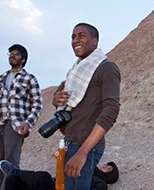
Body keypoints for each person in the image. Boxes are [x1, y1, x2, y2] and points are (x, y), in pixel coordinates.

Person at [52, 23, 120, 190]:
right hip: (70, 142)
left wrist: (82, 153)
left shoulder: (106, 68)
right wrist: (56, 101)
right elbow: (72, 107)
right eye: (73, 37)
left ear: (95, 41)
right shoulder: (75, 73)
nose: (76, 40)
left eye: (81, 35)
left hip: (85, 147)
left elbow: (111, 110)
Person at [0, 44, 43, 190]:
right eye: (10, 53)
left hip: (15, 126)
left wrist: (28, 122)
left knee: (10, 164)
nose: (12, 55)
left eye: (16, 54)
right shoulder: (0, 78)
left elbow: (37, 104)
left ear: (24, 59)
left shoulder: (29, 79)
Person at [0, 159, 119, 190]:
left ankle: (15, 170)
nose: (103, 166)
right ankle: (14, 174)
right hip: (52, 185)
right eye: (105, 165)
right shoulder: (84, 168)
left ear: (109, 176)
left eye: (107, 169)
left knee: (44, 177)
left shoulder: (101, 184)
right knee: (12, 181)